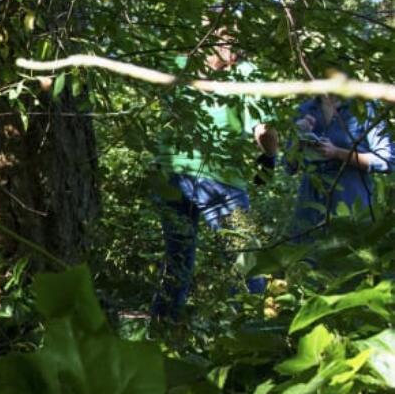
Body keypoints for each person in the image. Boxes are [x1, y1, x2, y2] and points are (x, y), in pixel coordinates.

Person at [150, 25, 279, 322]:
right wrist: (269, 159)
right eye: (226, 37)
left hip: (171, 177)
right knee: (246, 261)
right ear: (208, 38)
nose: (233, 44)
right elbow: (263, 129)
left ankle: (161, 335)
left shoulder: (177, 66)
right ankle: (252, 339)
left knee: (177, 262)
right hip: (218, 181)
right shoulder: (244, 72)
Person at [288, 94, 391, 237]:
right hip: (309, 204)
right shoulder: (304, 109)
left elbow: (385, 161)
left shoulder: (365, 107)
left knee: (349, 254)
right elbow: (289, 166)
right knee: (306, 256)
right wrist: (297, 137)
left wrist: (337, 153)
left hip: (350, 201)